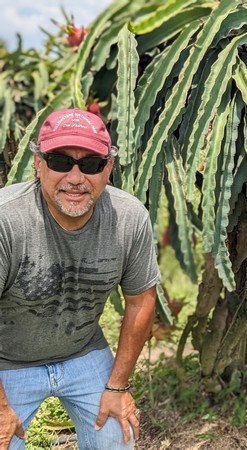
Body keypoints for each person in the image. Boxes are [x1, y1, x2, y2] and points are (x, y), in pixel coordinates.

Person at [0, 108, 160, 450]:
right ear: (38, 164)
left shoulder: (129, 219)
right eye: (60, 161)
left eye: (90, 164)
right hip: (6, 363)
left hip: (82, 352)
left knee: (119, 434)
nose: (76, 177)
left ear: (108, 169)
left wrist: (118, 387)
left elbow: (141, 300)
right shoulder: (6, 220)